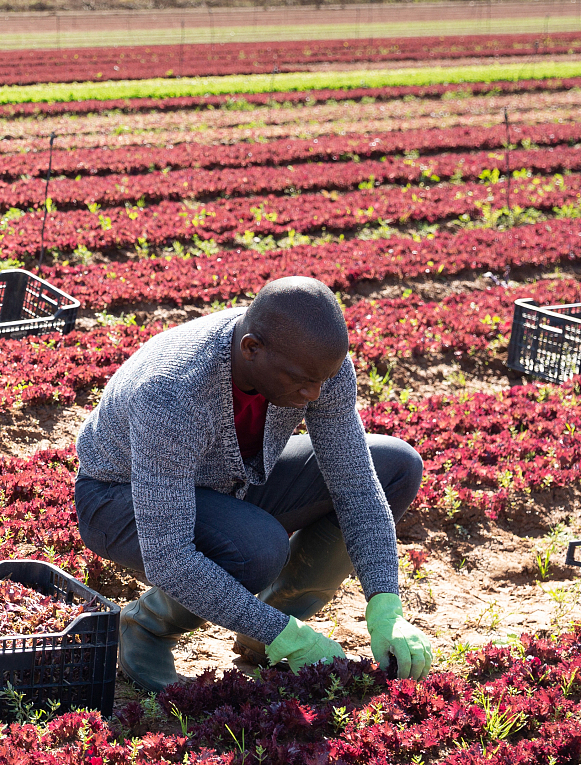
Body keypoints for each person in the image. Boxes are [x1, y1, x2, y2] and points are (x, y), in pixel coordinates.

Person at [73, 276, 430, 691]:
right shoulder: (174, 392)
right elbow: (169, 556)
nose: (315, 393)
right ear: (251, 349)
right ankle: (146, 626)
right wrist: (291, 638)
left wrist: (386, 605)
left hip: (230, 481)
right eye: (302, 382)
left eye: (322, 380)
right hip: (119, 497)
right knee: (255, 551)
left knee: (396, 467)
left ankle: (268, 630)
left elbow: (356, 486)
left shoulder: (312, 366)